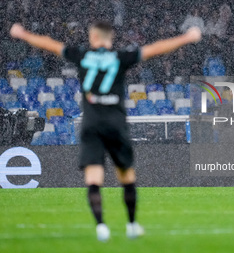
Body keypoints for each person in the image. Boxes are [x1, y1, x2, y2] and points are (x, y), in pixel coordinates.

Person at [10, 22, 202, 241]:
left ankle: (101, 227)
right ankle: (131, 225)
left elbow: (50, 44)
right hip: (115, 124)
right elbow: (155, 49)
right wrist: (186, 38)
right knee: (127, 177)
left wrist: (23, 33)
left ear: (92, 37)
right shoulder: (120, 57)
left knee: (93, 179)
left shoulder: (82, 56)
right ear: (110, 39)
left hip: (91, 123)